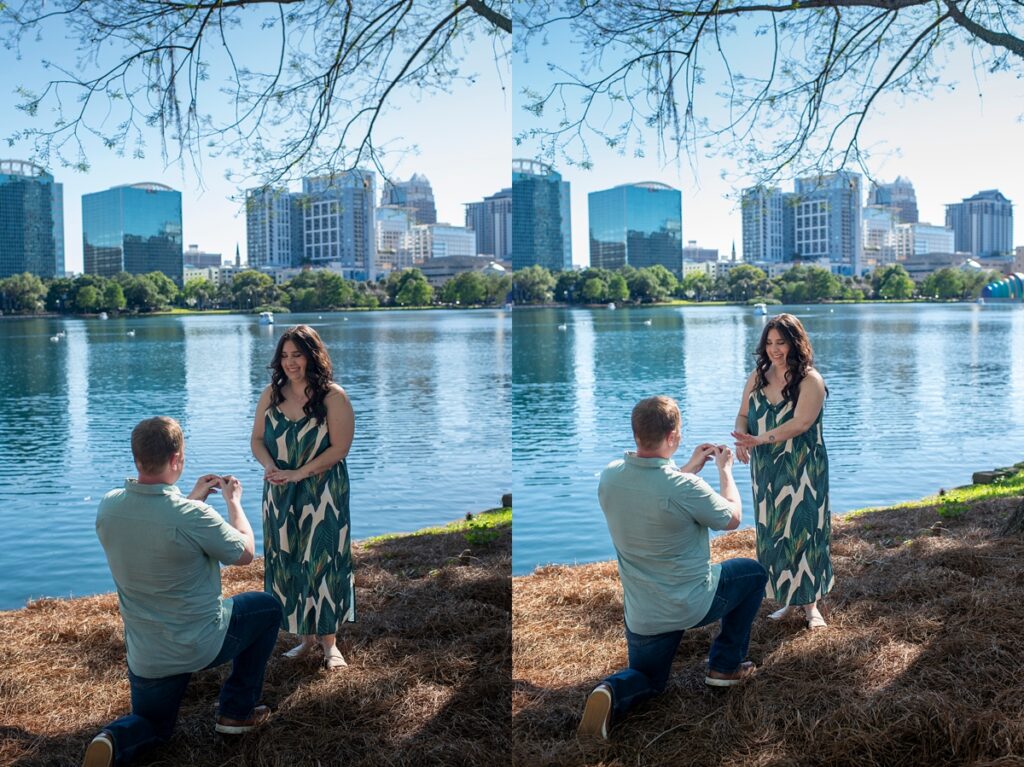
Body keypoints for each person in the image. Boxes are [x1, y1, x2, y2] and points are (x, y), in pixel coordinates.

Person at [85, 417, 280, 767]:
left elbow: (159, 531)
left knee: (156, 729)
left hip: (149, 656)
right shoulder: (192, 516)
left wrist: (192, 500)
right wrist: (234, 502)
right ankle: (236, 712)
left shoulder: (109, 507)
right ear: (177, 459)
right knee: (266, 609)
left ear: (137, 458)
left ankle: (111, 738)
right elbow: (246, 554)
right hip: (199, 643)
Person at [578, 396, 768, 741]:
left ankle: (611, 690)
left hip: (645, 614)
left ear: (636, 433)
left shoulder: (610, 477)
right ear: (674, 435)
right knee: (753, 574)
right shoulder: (686, 487)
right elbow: (732, 517)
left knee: (649, 680)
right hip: (692, 603)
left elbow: (654, 492)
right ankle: (725, 666)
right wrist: (724, 471)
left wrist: (690, 465)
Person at [251, 324, 355, 669]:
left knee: (322, 560)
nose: (290, 362)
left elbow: (340, 449)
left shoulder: (333, 397)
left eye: (297, 354)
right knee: (288, 560)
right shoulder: (271, 394)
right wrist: (270, 466)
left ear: (313, 355)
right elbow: (257, 440)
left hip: (322, 491)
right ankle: (305, 639)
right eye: (284, 356)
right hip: (279, 491)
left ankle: (330, 644)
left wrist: (300, 472)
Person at [731, 313, 833, 630]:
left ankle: (811, 605)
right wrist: (741, 441)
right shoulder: (759, 376)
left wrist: (759, 438)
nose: (775, 349)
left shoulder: (810, 380)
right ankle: (788, 597)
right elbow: (743, 414)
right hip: (766, 469)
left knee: (805, 531)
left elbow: (800, 423)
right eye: (770, 342)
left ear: (795, 343)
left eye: (782, 342)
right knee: (775, 532)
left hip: (803, 468)